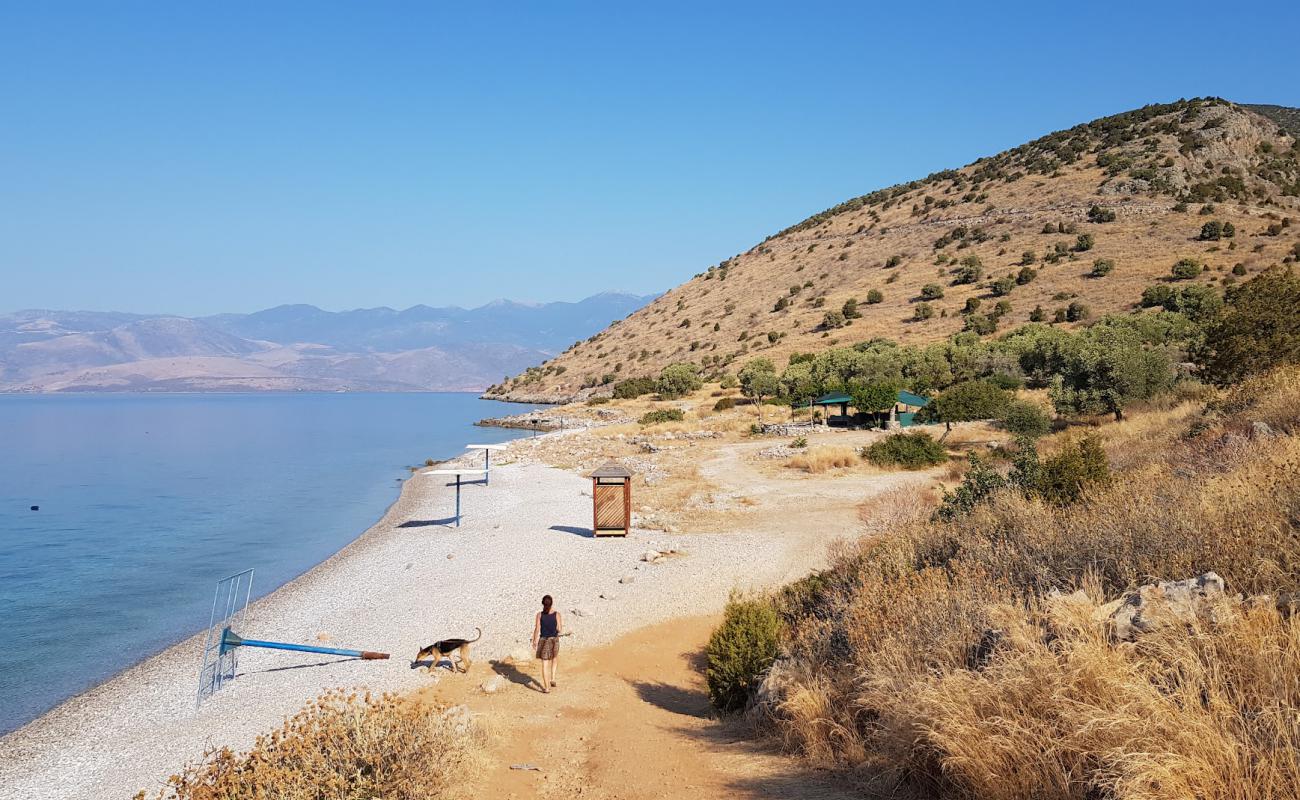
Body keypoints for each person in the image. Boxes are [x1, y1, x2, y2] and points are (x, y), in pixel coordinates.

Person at [531, 594, 562, 693]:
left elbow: (537, 629)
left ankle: (546, 688)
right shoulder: (557, 614)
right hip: (554, 640)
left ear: (542, 604)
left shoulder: (539, 615)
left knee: (545, 664)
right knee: (554, 658)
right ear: (552, 603)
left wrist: (534, 640)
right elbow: (559, 629)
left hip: (544, 640)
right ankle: (552, 678)